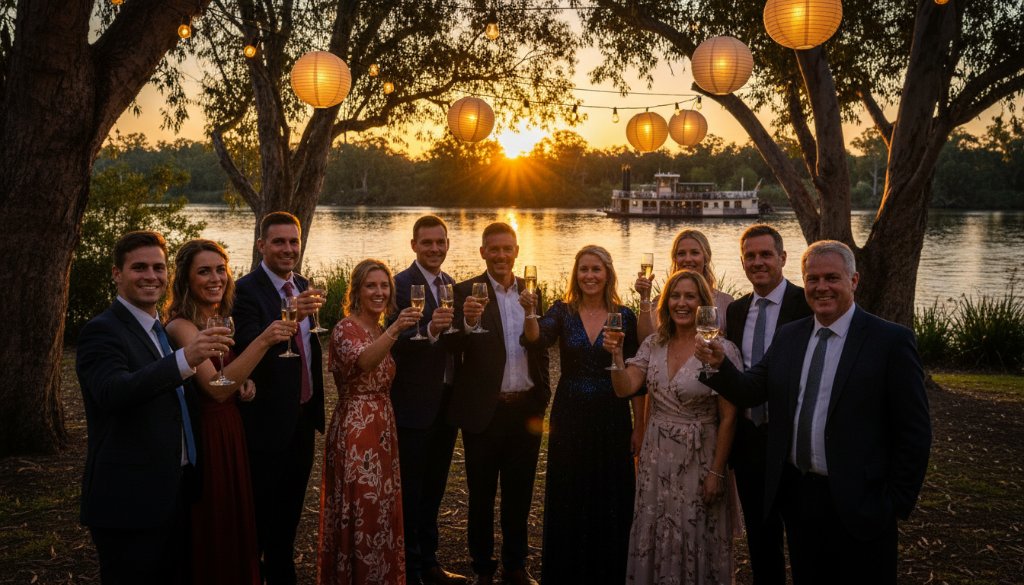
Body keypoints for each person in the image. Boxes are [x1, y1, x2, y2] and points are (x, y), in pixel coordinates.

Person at [696, 240, 932, 584]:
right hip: (800, 497)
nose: (821, 288)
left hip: (862, 501)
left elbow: (914, 432)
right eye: (812, 279)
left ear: (854, 281)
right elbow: (751, 390)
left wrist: (894, 504)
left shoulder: (890, 342)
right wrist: (718, 366)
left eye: (832, 278)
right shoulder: (790, 336)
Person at [77, 230, 231, 584]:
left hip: (175, 491)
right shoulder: (101, 331)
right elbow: (112, 392)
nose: (151, 276)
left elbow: (175, 402)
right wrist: (184, 360)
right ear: (117, 273)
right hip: (129, 498)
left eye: (159, 267)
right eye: (139, 267)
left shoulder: (157, 329)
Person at [164, 239, 298, 585]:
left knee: (239, 520)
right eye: (204, 271)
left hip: (233, 430)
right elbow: (216, 389)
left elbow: (228, 373)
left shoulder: (219, 318)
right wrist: (265, 340)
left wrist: (243, 379)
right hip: (206, 435)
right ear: (186, 279)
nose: (215, 278)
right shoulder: (182, 326)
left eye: (220, 269)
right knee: (214, 520)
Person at [604, 269, 740, 584]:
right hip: (656, 457)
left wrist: (717, 472)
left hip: (700, 457)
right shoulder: (654, 343)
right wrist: (615, 355)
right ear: (666, 302)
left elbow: (729, 417)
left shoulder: (719, 349)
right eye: (675, 296)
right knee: (655, 530)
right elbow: (625, 388)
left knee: (694, 532)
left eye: (690, 297)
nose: (681, 303)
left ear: (703, 303)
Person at [520, 245, 643, 585]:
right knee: (568, 490)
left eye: (596, 270)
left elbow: (636, 376)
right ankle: (566, 571)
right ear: (576, 274)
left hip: (612, 412)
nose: (589, 276)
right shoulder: (562, 311)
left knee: (611, 492)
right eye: (584, 269)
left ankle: (608, 570)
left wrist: (640, 426)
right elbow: (536, 340)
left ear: (607, 274)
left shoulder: (624, 315)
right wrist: (531, 311)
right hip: (570, 412)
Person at [444, 222, 551, 585]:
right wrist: (468, 320)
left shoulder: (531, 291)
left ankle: (516, 564)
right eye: (494, 249)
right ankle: (483, 568)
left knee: (520, 492)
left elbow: (541, 350)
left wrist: (543, 397)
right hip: (483, 412)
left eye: (508, 249)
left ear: (517, 251)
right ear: (483, 252)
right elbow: (451, 346)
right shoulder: (463, 292)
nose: (501, 255)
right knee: (481, 494)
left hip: (525, 410)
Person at [232, 211, 326, 585]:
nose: (288, 249)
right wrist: (288, 317)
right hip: (266, 420)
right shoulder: (244, 291)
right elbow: (247, 350)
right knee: (260, 513)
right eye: (279, 242)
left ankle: (283, 574)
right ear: (261, 245)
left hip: (302, 417)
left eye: (294, 242)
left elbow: (309, 347)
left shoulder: (301, 284)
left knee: (290, 512)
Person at [317, 259, 423, 584]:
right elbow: (363, 361)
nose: (379, 292)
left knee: (381, 510)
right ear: (357, 291)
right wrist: (395, 330)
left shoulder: (377, 327)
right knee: (361, 507)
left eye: (384, 285)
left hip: (382, 426)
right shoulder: (345, 328)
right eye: (370, 286)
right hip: (356, 427)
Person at [725, 225, 811, 585]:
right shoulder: (735, 311)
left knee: (807, 543)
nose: (757, 262)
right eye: (750, 256)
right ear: (743, 261)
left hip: (793, 442)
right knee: (762, 544)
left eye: (765, 255)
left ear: (783, 258)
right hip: (749, 442)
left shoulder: (807, 302)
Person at [389, 216, 466, 585]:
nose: (434, 249)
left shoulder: (450, 284)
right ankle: (410, 567)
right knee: (412, 489)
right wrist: (430, 330)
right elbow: (395, 342)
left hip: (446, 403)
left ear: (447, 244)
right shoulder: (399, 285)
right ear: (414, 245)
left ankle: (431, 561)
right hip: (414, 403)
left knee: (435, 486)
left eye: (440, 242)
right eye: (427, 243)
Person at [635, 228, 733, 340]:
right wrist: (644, 297)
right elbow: (646, 341)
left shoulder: (726, 302)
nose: (687, 259)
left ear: (706, 258)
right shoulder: (661, 302)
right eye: (681, 254)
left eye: (694, 253)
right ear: (675, 259)